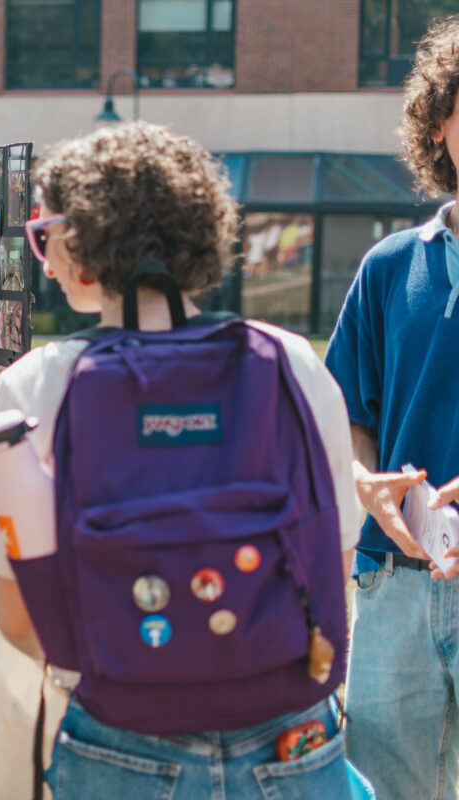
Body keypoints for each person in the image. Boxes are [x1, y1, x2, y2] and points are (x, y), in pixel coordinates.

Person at [0, 122, 363, 798]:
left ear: (82, 242)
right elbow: (332, 571)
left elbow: (19, 620)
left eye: (43, 234)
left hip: (121, 743)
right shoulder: (290, 364)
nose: (42, 258)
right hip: (291, 735)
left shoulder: (36, 386)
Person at [324, 16, 459, 799]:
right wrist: (363, 480)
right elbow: (349, 415)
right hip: (392, 590)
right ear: (440, 123)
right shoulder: (387, 267)